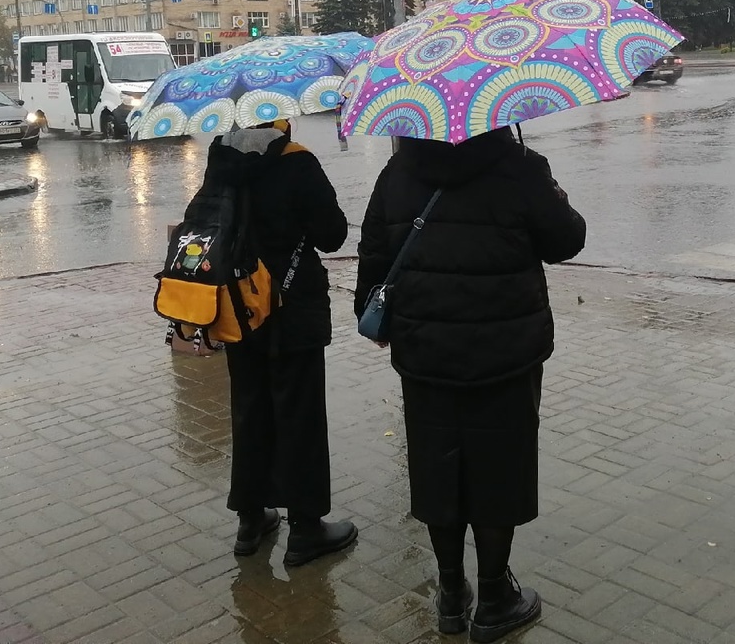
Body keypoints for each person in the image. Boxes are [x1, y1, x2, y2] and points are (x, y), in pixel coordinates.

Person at [355, 128, 586, 642]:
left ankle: (452, 594)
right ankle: (495, 597)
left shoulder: (398, 172)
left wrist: (374, 318)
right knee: (499, 469)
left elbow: (373, 252)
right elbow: (567, 241)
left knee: (438, 467)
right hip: (505, 353)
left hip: (425, 352)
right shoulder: (522, 167)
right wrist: (553, 194)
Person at [185, 118, 356, 566]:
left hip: (236, 307)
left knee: (248, 406)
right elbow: (332, 235)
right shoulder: (297, 161)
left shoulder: (219, 159)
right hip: (292, 305)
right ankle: (305, 529)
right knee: (299, 412)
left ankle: (250, 519)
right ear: (282, 118)